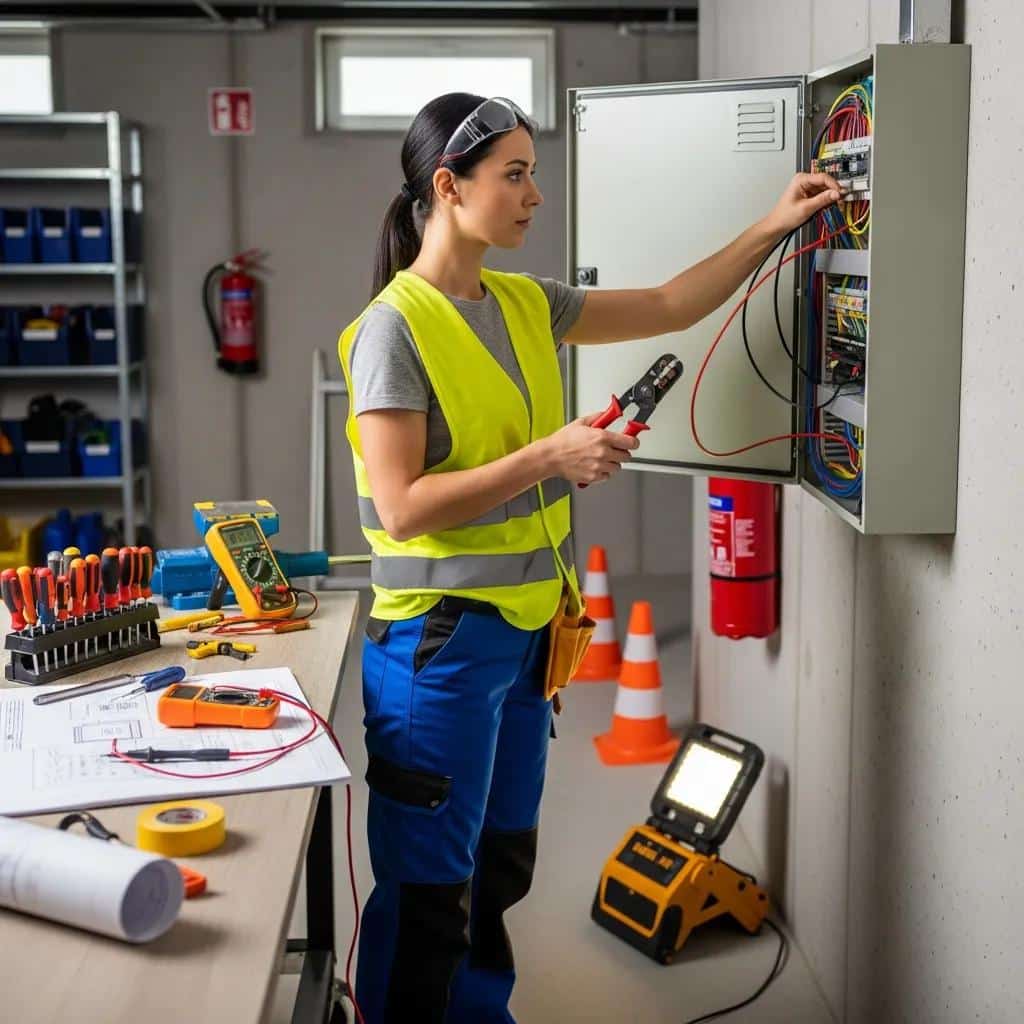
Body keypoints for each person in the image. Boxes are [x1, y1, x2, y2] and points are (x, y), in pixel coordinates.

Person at [337, 93, 843, 1024]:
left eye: (535, 171)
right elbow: (401, 508)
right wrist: (550, 457)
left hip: (529, 643)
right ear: (448, 188)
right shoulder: (392, 330)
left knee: (498, 870)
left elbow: (664, 304)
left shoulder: (526, 302)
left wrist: (775, 224)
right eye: (515, 174)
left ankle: (481, 1016)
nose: (536, 193)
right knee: (428, 891)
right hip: (438, 651)